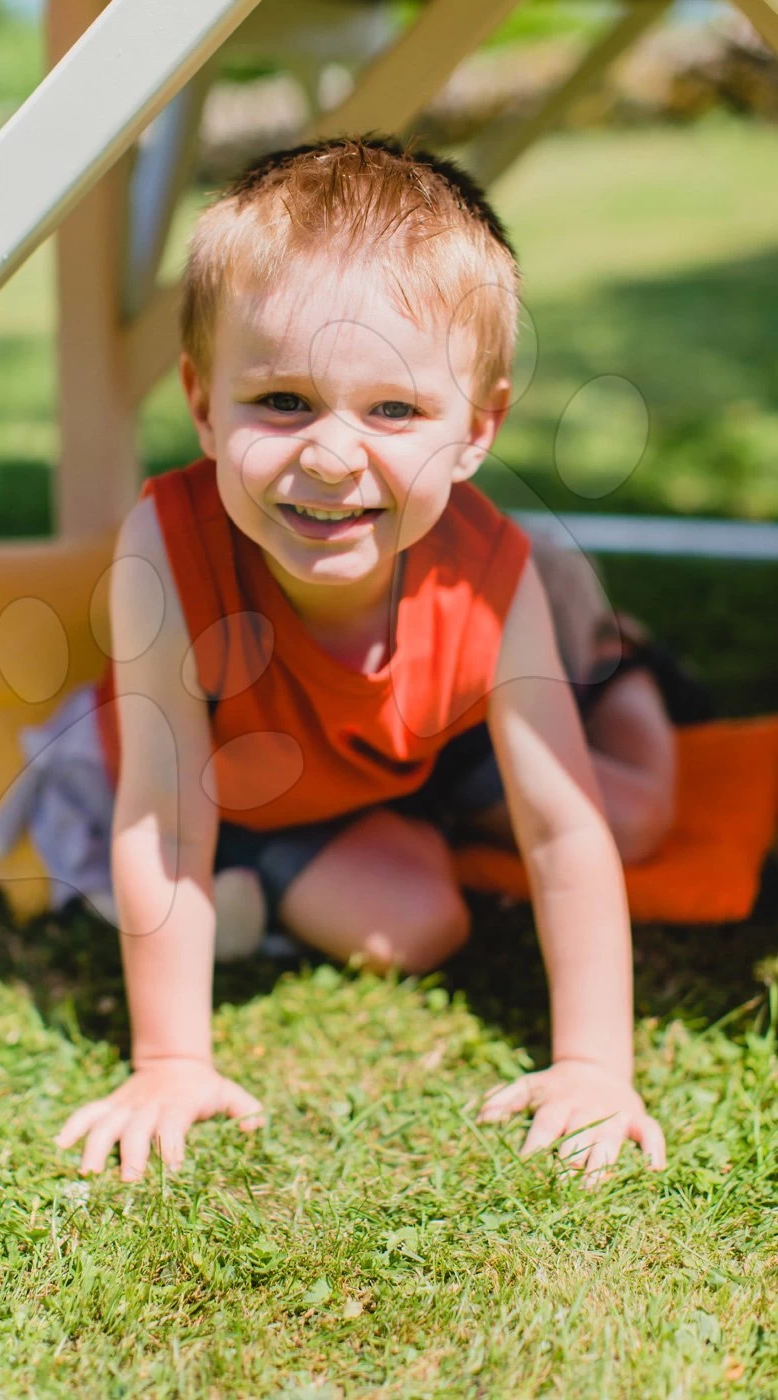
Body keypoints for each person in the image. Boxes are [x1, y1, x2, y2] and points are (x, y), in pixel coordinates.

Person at [54, 136, 683, 1186]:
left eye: (393, 408)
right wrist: (170, 1061)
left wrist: (594, 1066)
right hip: (253, 790)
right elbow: (165, 816)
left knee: (636, 817)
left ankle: (622, 666)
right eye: (283, 401)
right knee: (415, 920)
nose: (332, 454)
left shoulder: (491, 568)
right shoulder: (165, 543)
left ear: (477, 429)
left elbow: (562, 823)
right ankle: (309, 867)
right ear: (204, 405)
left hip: (421, 734)